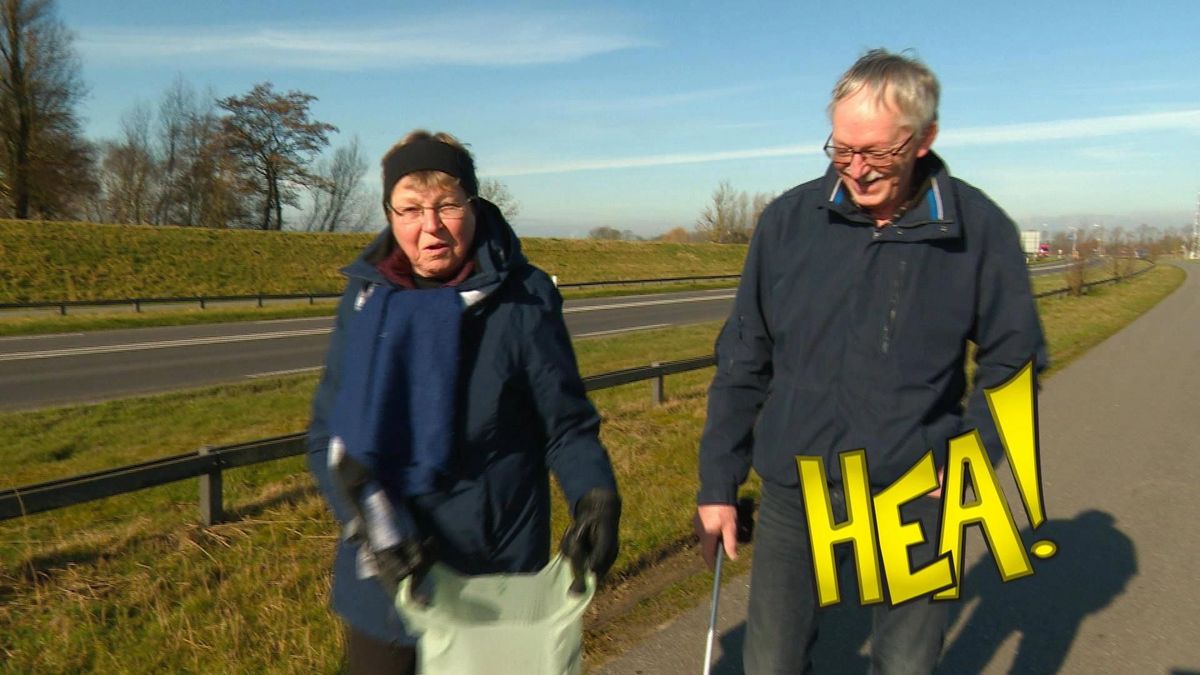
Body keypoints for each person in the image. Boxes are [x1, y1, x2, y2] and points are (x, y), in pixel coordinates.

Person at [694, 49, 1047, 674]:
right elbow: (745, 356)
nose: (856, 170)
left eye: (876, 153)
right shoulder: (788, 223)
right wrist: (719, 483)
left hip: (916, 491)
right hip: (798, 489)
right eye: (842, 150)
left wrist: (970, 461)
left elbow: (1015, 359)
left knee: (906, 664)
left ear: (924, 138)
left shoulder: (978, 229)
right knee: (769, 663)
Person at [306, 130, 621, 674]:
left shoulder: (523, 297)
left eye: (447, 205)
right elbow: (326, 437)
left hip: (489, 576)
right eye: (410, 209)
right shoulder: (364, 301)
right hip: (389, 569)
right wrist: (377, 530)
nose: (429, 226)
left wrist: (594, 493)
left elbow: (565, 425)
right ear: (389, 214)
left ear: (473, 205)